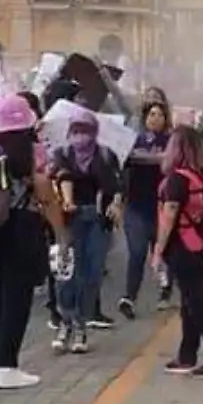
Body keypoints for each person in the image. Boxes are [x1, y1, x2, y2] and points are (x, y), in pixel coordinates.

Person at [0, 94, 65, 390]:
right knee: (15, 296)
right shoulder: (30, 151)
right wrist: (60, 233)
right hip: (18, 227)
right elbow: (45, 191)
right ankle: (9, 365)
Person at [150, 125, 203, 377]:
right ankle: (187, 354)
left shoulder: (177, 179)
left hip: (183, 245)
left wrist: (158, 251)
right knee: (190, 300)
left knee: (195, 300)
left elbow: (169, 215)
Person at [49, 107, 120, 353]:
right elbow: (61, 177)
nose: (81, 137)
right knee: (67, 272)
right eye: (76, 131)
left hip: (98, 220)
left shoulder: (106, 155)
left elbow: (116, 185)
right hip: (70, 220)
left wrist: (115, 204)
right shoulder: (62, 154)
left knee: (91, 274)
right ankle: (66, 322)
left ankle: (82, 322)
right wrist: (66, 200)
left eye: (86, 131)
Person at [117, 100, 171, 319]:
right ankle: (129, 297)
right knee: (137, 252)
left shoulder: (171, 142)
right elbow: (122, 165)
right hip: (136, 206)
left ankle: (166, 290)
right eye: (151, 114)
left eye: (159, 115)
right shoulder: (132, 141)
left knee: (162, 252)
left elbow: (170, 163)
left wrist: (154, 158)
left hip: (162, 206)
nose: (155, 118)